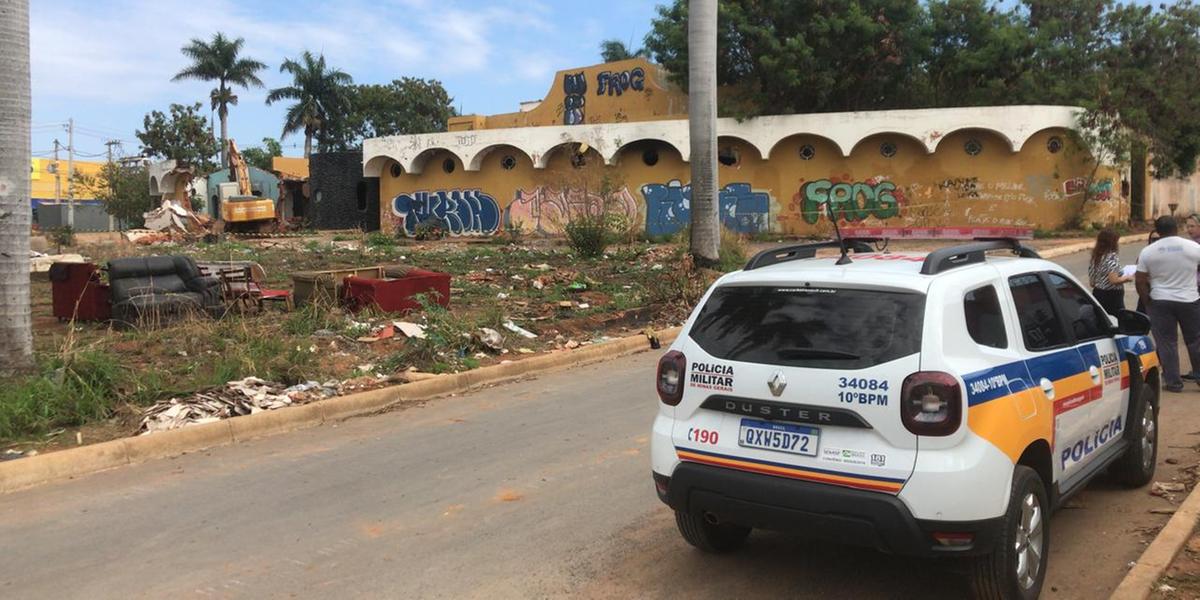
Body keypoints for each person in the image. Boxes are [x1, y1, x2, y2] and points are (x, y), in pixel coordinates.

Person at [1135, 216, 1200, 392]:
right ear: (1176, 228)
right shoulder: (1194, 247)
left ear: (1158, 230)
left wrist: (1147, 300)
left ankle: (1173, 382)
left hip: (1160, 300)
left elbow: (1140, 280)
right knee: (1195, 340)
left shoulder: (1148, 251)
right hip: (1190, 299)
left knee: (1167, 342)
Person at [1089, 228, 1132, 315]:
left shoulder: (1096, 257)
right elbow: (1113, 280)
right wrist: (1127, 278)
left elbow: (1092, 282)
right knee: (1117, 320)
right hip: (1112, 296)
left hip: (1098, 293)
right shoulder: (1111, 257)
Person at [1137, 229, 1162, 314]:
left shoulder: (1168, 253)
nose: (1155, 241)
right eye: (1153, 239)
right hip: (1147, 290)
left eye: (1158, 239)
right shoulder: (1145, 253)